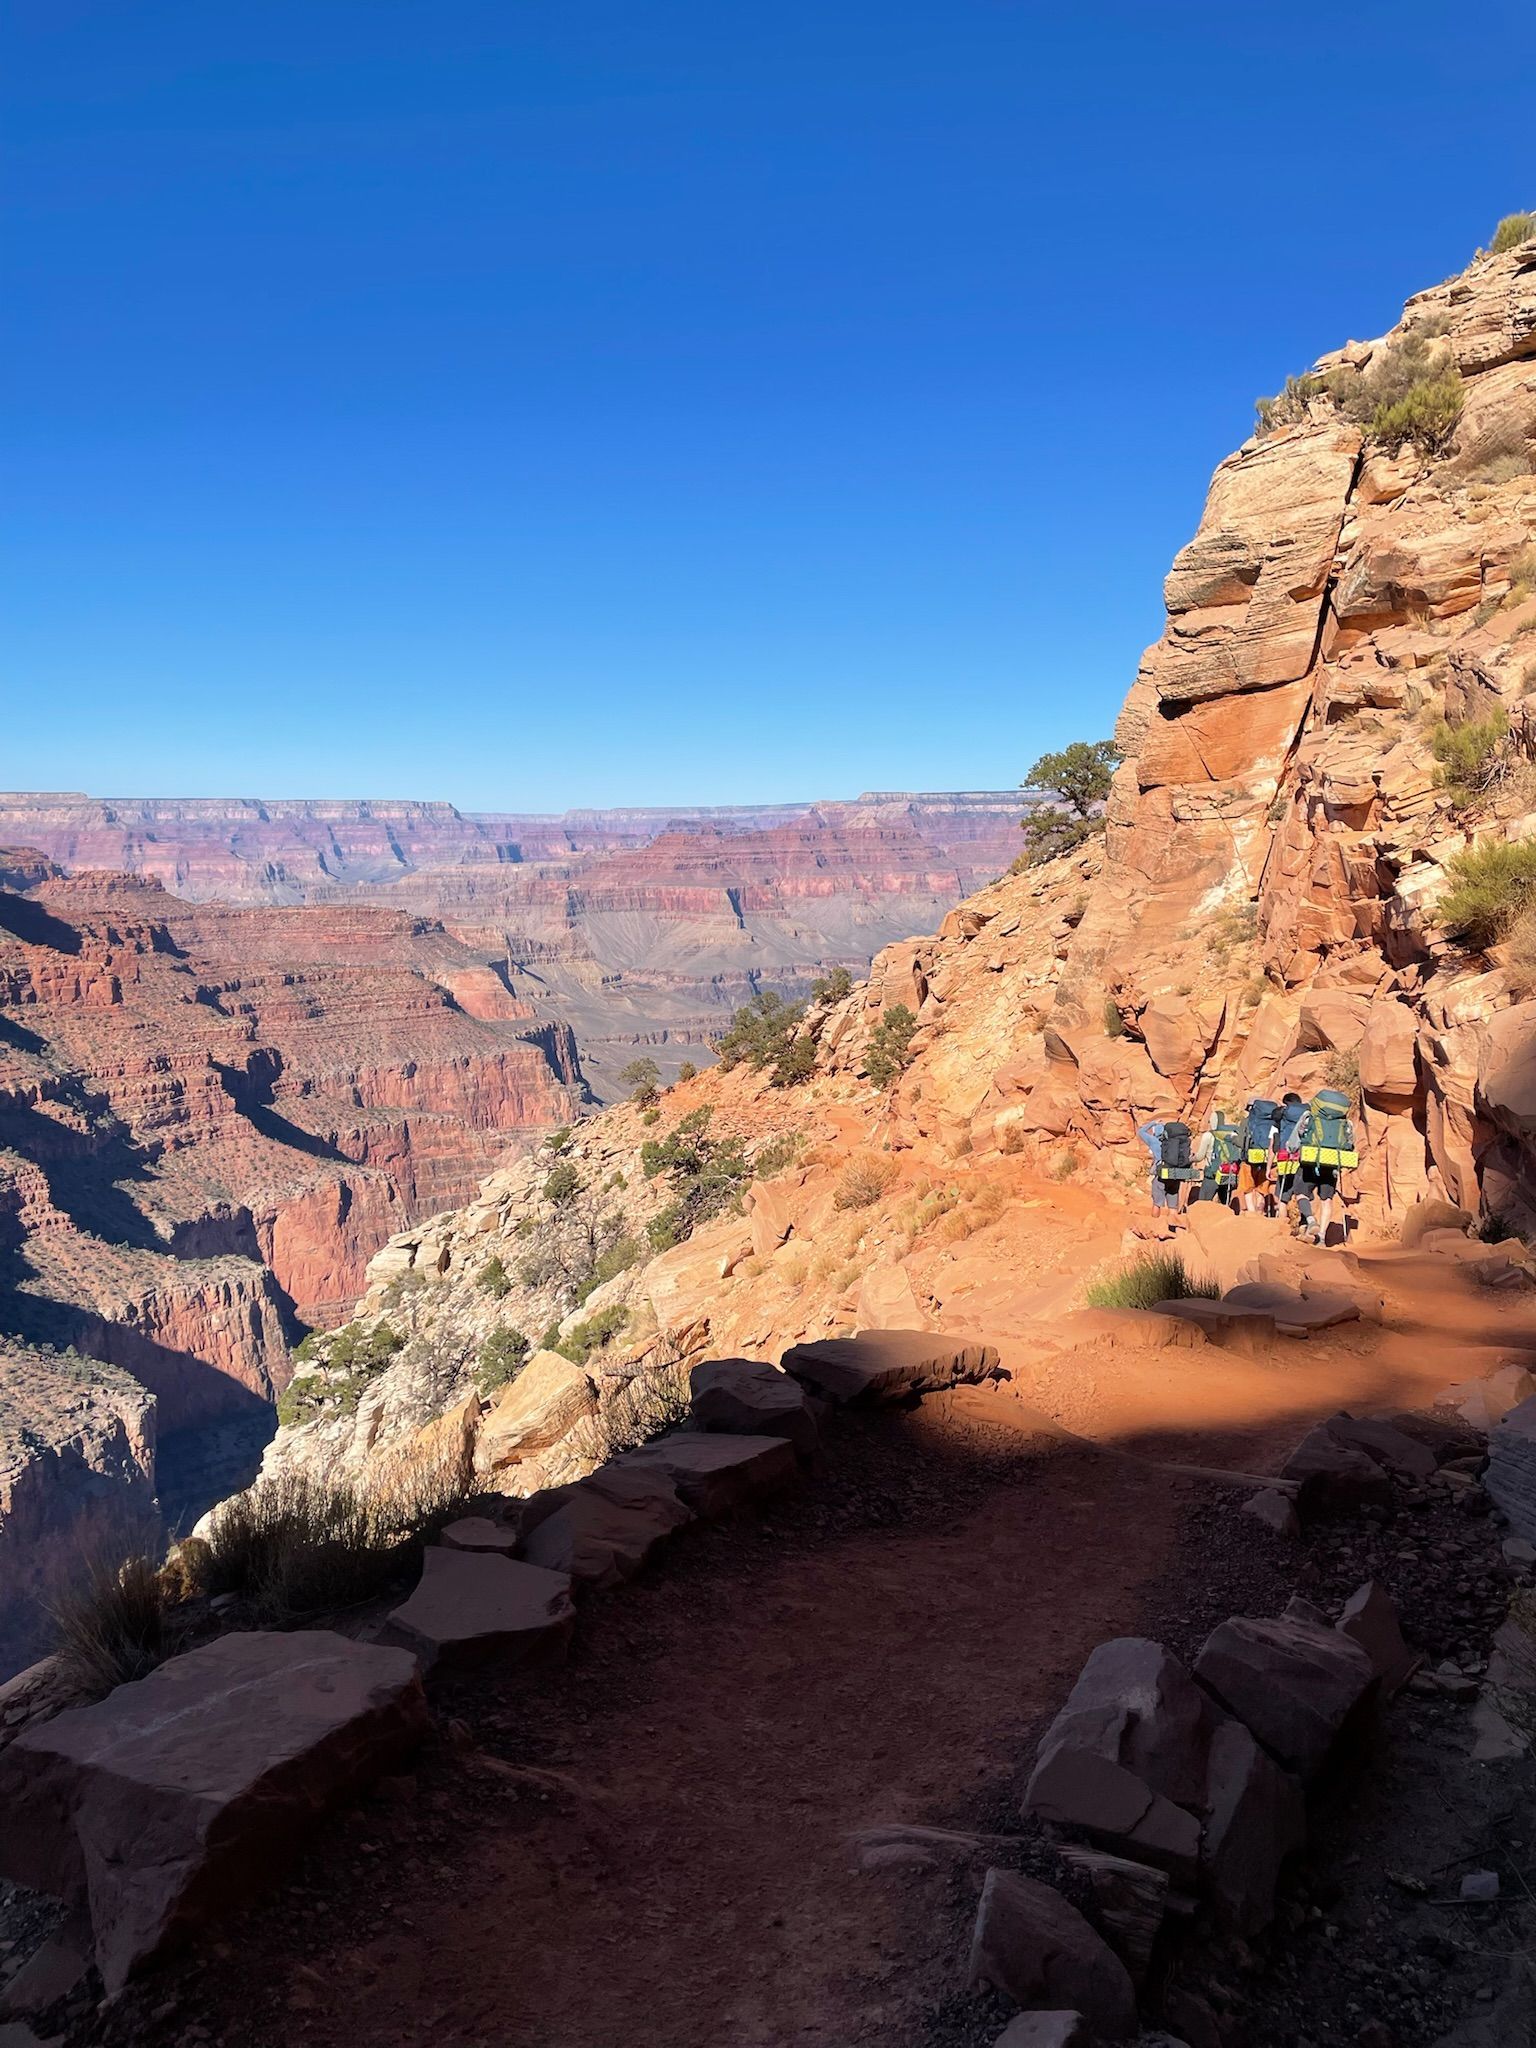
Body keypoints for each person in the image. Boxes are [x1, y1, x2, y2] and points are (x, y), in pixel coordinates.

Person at [1237, 1096, 1280, 1215]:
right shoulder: (1274, 1122)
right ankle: (1261, 1210)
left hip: (1250, 1160)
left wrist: (1233, 1139)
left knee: (1248, 1187)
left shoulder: (1247, 1121)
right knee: (1262, 1188)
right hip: (1268, 1160)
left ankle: (1252, 1213)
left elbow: (1240, 1142)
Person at [1137, 1117, 1184, 1223]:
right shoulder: (1175, 1143)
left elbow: (1141, 1131)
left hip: (1161, 1175)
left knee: (1157, 1203)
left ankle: (1154, 1226)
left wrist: (1153, 1123)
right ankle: (1174, 1227)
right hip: (1174, 1174)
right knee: (1172, 1206)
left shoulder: (1153, 1141)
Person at [1273, 1092, 1308, 1212]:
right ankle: (1305, 1221)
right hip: (1303, 1156)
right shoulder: (1307, 1113)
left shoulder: (1282, 1113)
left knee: (1282, 1196)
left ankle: (1281, 1225)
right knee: (1303, 1193)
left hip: (1285, 1156)